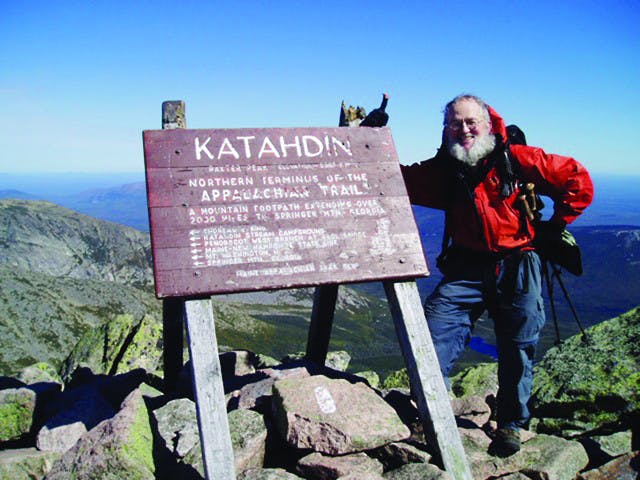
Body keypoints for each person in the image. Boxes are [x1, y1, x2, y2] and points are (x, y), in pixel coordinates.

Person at [400, 94, 593, 456]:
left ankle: (510, 425)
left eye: (471, 121)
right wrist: (366, 142)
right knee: (431, 335)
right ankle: (432, 416)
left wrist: (556, 224)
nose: (464, 129)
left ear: (488, 124)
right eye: (455, 123)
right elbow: (401, 180)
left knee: (518, 345)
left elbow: (577, 180)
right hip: (467, 267)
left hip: (518, 262)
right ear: (446, 130)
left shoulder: (516, 159)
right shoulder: (447, 168)